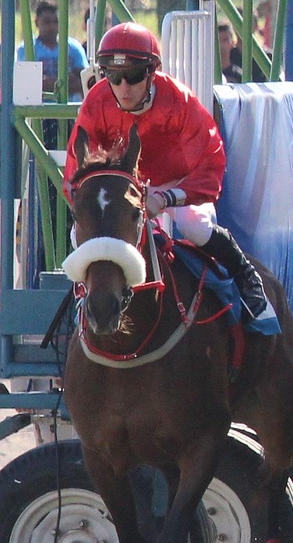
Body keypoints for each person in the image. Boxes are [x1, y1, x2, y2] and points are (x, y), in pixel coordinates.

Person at [62, 22, 274, 326]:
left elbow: (211, 163)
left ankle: (246, 276)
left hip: (176, 184)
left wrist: (166, 198)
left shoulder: (179, 101)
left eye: (133, 76)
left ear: (151, 72)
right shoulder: (97, 101)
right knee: (78, 231)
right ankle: (83, 301)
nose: (123, 87)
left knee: (194, 225)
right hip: (124, 188)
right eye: (113, 75)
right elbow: (77, 169)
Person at [21, 0, 87, 102]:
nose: (52, 27)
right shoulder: (26, 49)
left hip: (70, 112)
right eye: (47, 22)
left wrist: (47, 81)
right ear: (36, 22)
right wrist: (67, 81)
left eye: (55, 22)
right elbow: (28, 85)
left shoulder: (74, 48)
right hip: (39, 114)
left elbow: (85, 82)